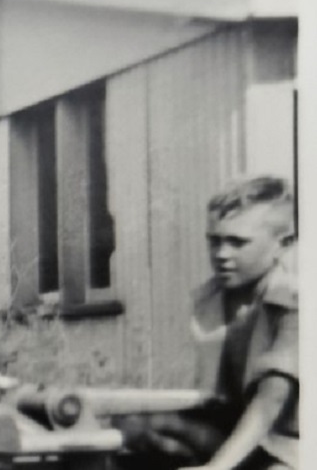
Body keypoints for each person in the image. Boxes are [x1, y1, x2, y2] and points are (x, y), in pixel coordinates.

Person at [115, 175, 298, 470]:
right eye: (214, 241)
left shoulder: (295, 301)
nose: (222, 254)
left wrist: (217, 468)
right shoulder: (211, 299)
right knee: (131, 430)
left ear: (284, 243)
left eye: (237, 243)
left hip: (289, 447)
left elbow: (270, 402)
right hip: (233, 437)